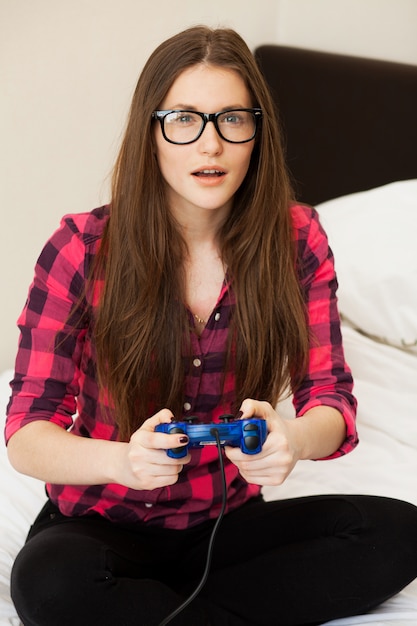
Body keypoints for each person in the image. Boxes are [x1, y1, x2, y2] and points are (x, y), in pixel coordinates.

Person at [5, 25, 417, 626]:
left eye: (232, 120)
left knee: (396, 533)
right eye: (184, 120)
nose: (211, 146)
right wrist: (122, 461)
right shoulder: (82, 247)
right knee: (51, 584)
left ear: (258, 132)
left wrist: (293, 441)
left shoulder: (296, 239)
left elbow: (329, 398)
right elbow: (26, 433)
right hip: (99, 526)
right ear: (152, 133)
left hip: (227, 529)